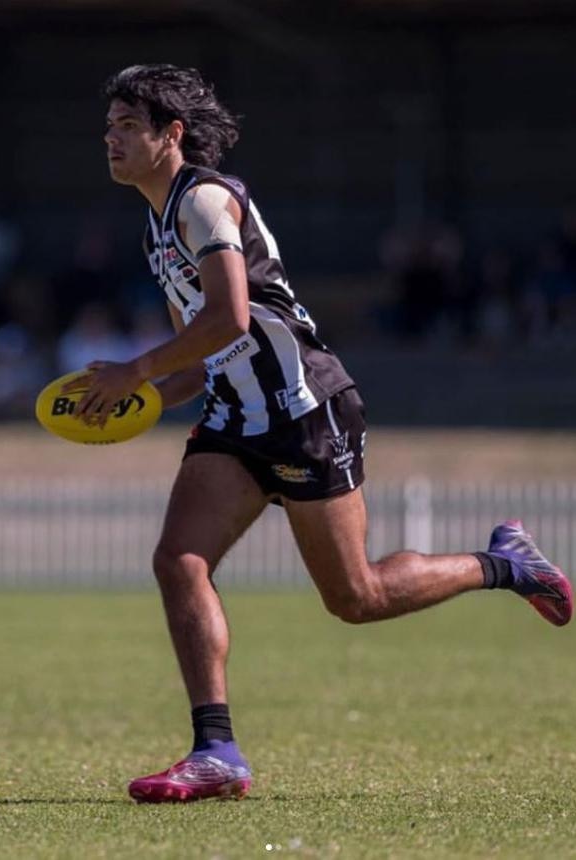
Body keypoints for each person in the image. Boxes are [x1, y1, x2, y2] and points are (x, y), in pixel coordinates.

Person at [63, 64, 573, 804]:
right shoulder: (154, 225)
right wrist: (132, 394)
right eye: (107, 126)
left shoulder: (204, 200)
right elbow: (201, 357)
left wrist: (133, 367)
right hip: (236, 420)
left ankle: (503, 564)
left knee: (355, 597)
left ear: (170, 135)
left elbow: (230, 320)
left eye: (126, 127)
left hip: (305, 412)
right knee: (177, 559)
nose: (109, 139)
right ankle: (216, 753)